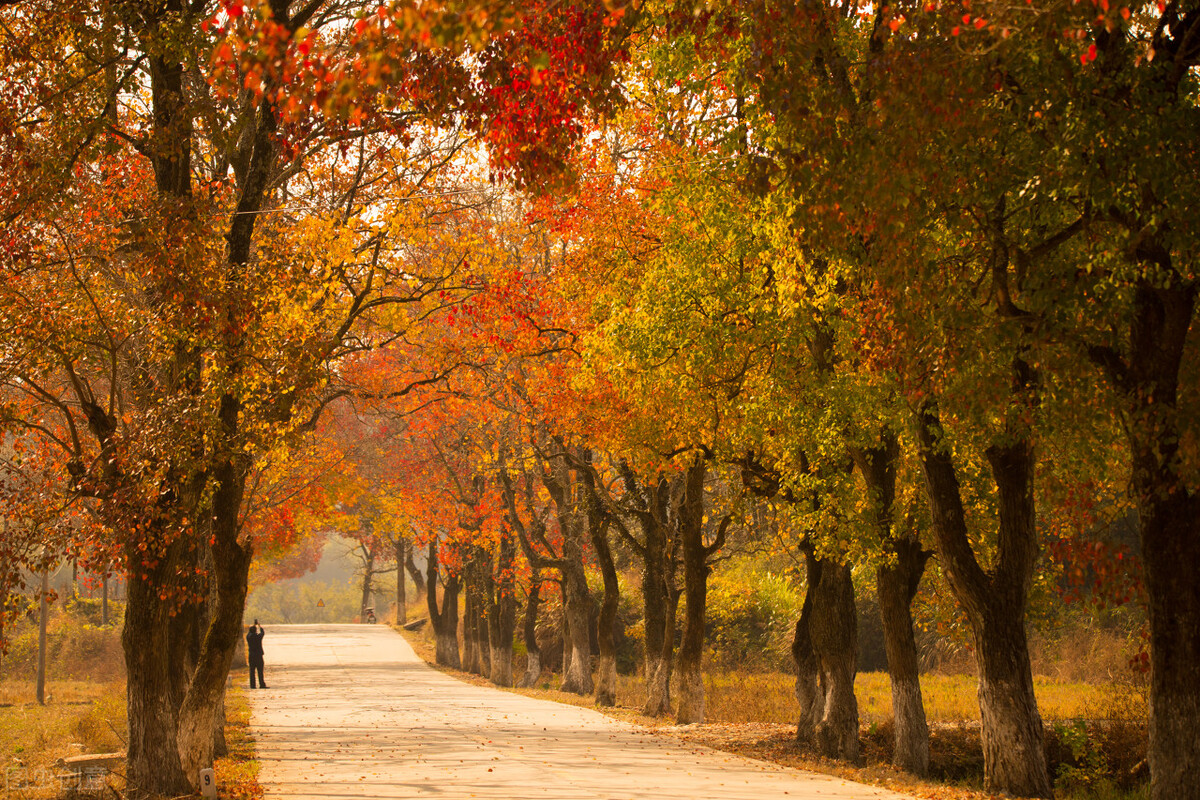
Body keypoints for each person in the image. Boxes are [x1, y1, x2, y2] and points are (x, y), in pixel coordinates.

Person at [246, 620, 268, 689]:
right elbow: (262, 632)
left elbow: (249, 633)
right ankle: (262, 684)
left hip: (251, 656)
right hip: (258, 655)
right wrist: (259, 625)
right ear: (255, 631)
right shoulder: (258, 637)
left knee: (252, 671)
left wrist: (254, 625)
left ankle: (253, 685)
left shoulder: (248, 637)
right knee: (260, 671)